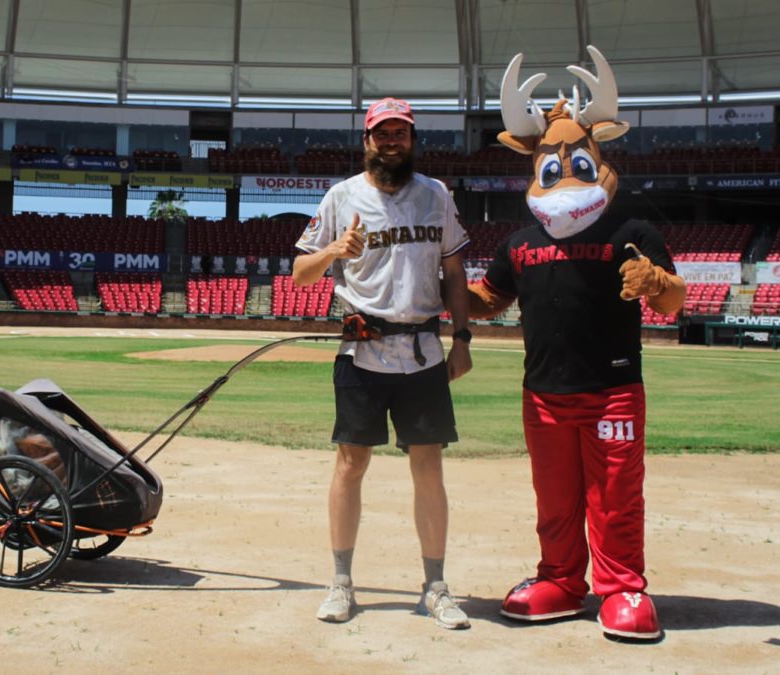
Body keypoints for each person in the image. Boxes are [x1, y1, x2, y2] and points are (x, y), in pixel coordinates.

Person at [468, 47, 686, 640]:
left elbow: (673, 301)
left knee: (615, 496)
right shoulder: (518, 241)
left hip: (612, 391)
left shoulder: (633, 231)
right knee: (555, 499)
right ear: (533, 165)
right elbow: (489, 300)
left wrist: (657, 281)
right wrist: (435, 297)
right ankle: (561, 580)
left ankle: (623, 589)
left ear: (597, 155)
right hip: (542, 395)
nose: (564, 171)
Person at [292, 97, 473, 629]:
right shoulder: (340, 196)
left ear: (413, 140)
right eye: (382, 133)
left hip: (423, 352)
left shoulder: (436, 196)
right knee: (350, 465)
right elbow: (301, 270)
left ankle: (435, 587)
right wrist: (334, 253)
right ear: (366, 140)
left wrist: (462, 338)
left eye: (402, 133)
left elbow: (456, 273)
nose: (392, 141)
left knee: (429, 466)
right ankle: (341, 584)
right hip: (362, 352)